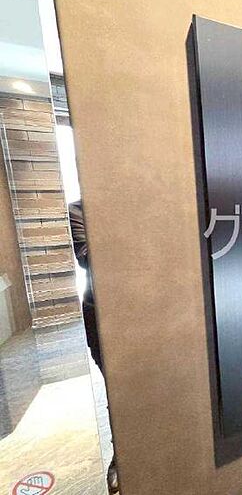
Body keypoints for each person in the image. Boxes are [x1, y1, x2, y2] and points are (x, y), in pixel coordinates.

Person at [69, 201, 119, 494]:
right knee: (115, 386)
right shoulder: (77, 211)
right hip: (99, 311)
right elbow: (89, 259)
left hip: (141, 311)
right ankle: (121, 454)